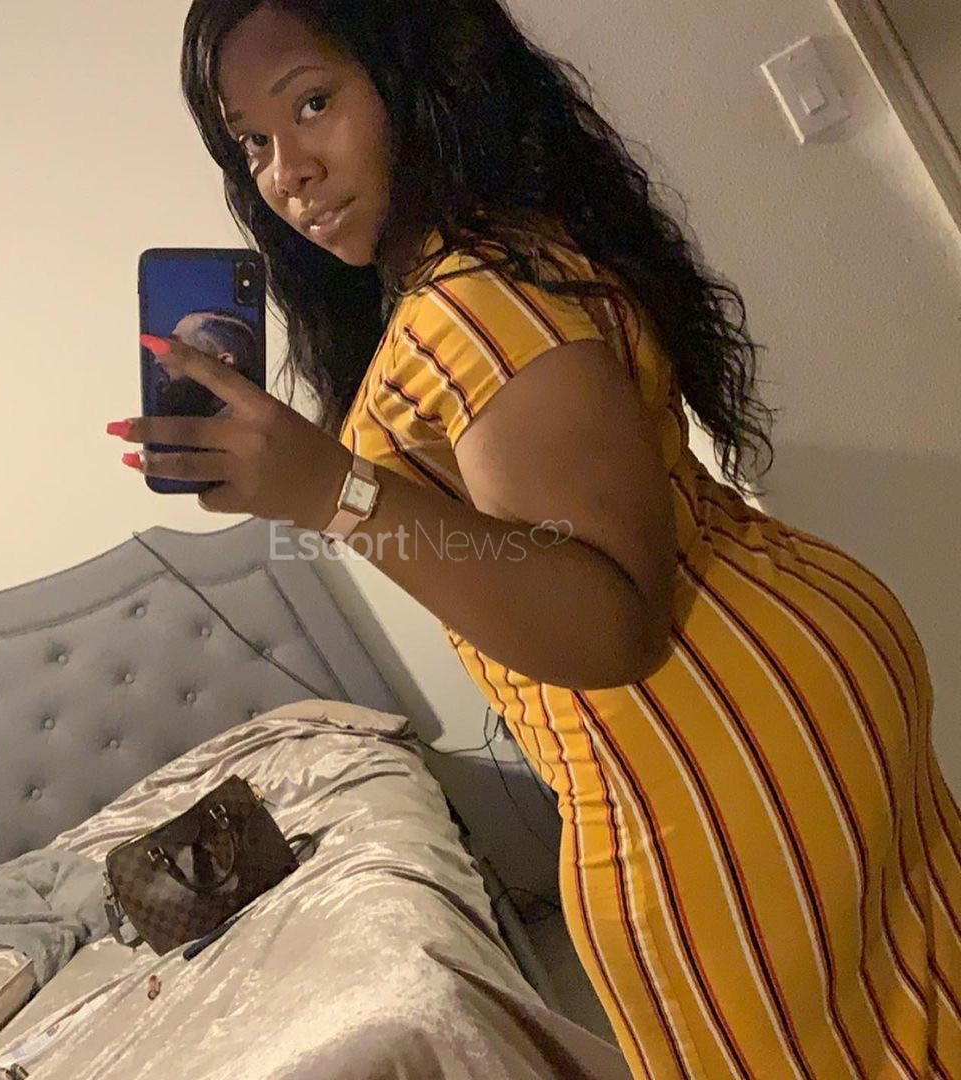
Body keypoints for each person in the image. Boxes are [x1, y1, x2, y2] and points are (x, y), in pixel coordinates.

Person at [107, 1, 961, 1075]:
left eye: (313, 103)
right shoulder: (504, 254)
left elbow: (609, 627)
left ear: (421, 73)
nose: (288, 173)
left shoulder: (471, 301)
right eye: (253, 142)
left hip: (698, 759)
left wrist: (334, 492)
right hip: (768, 688)